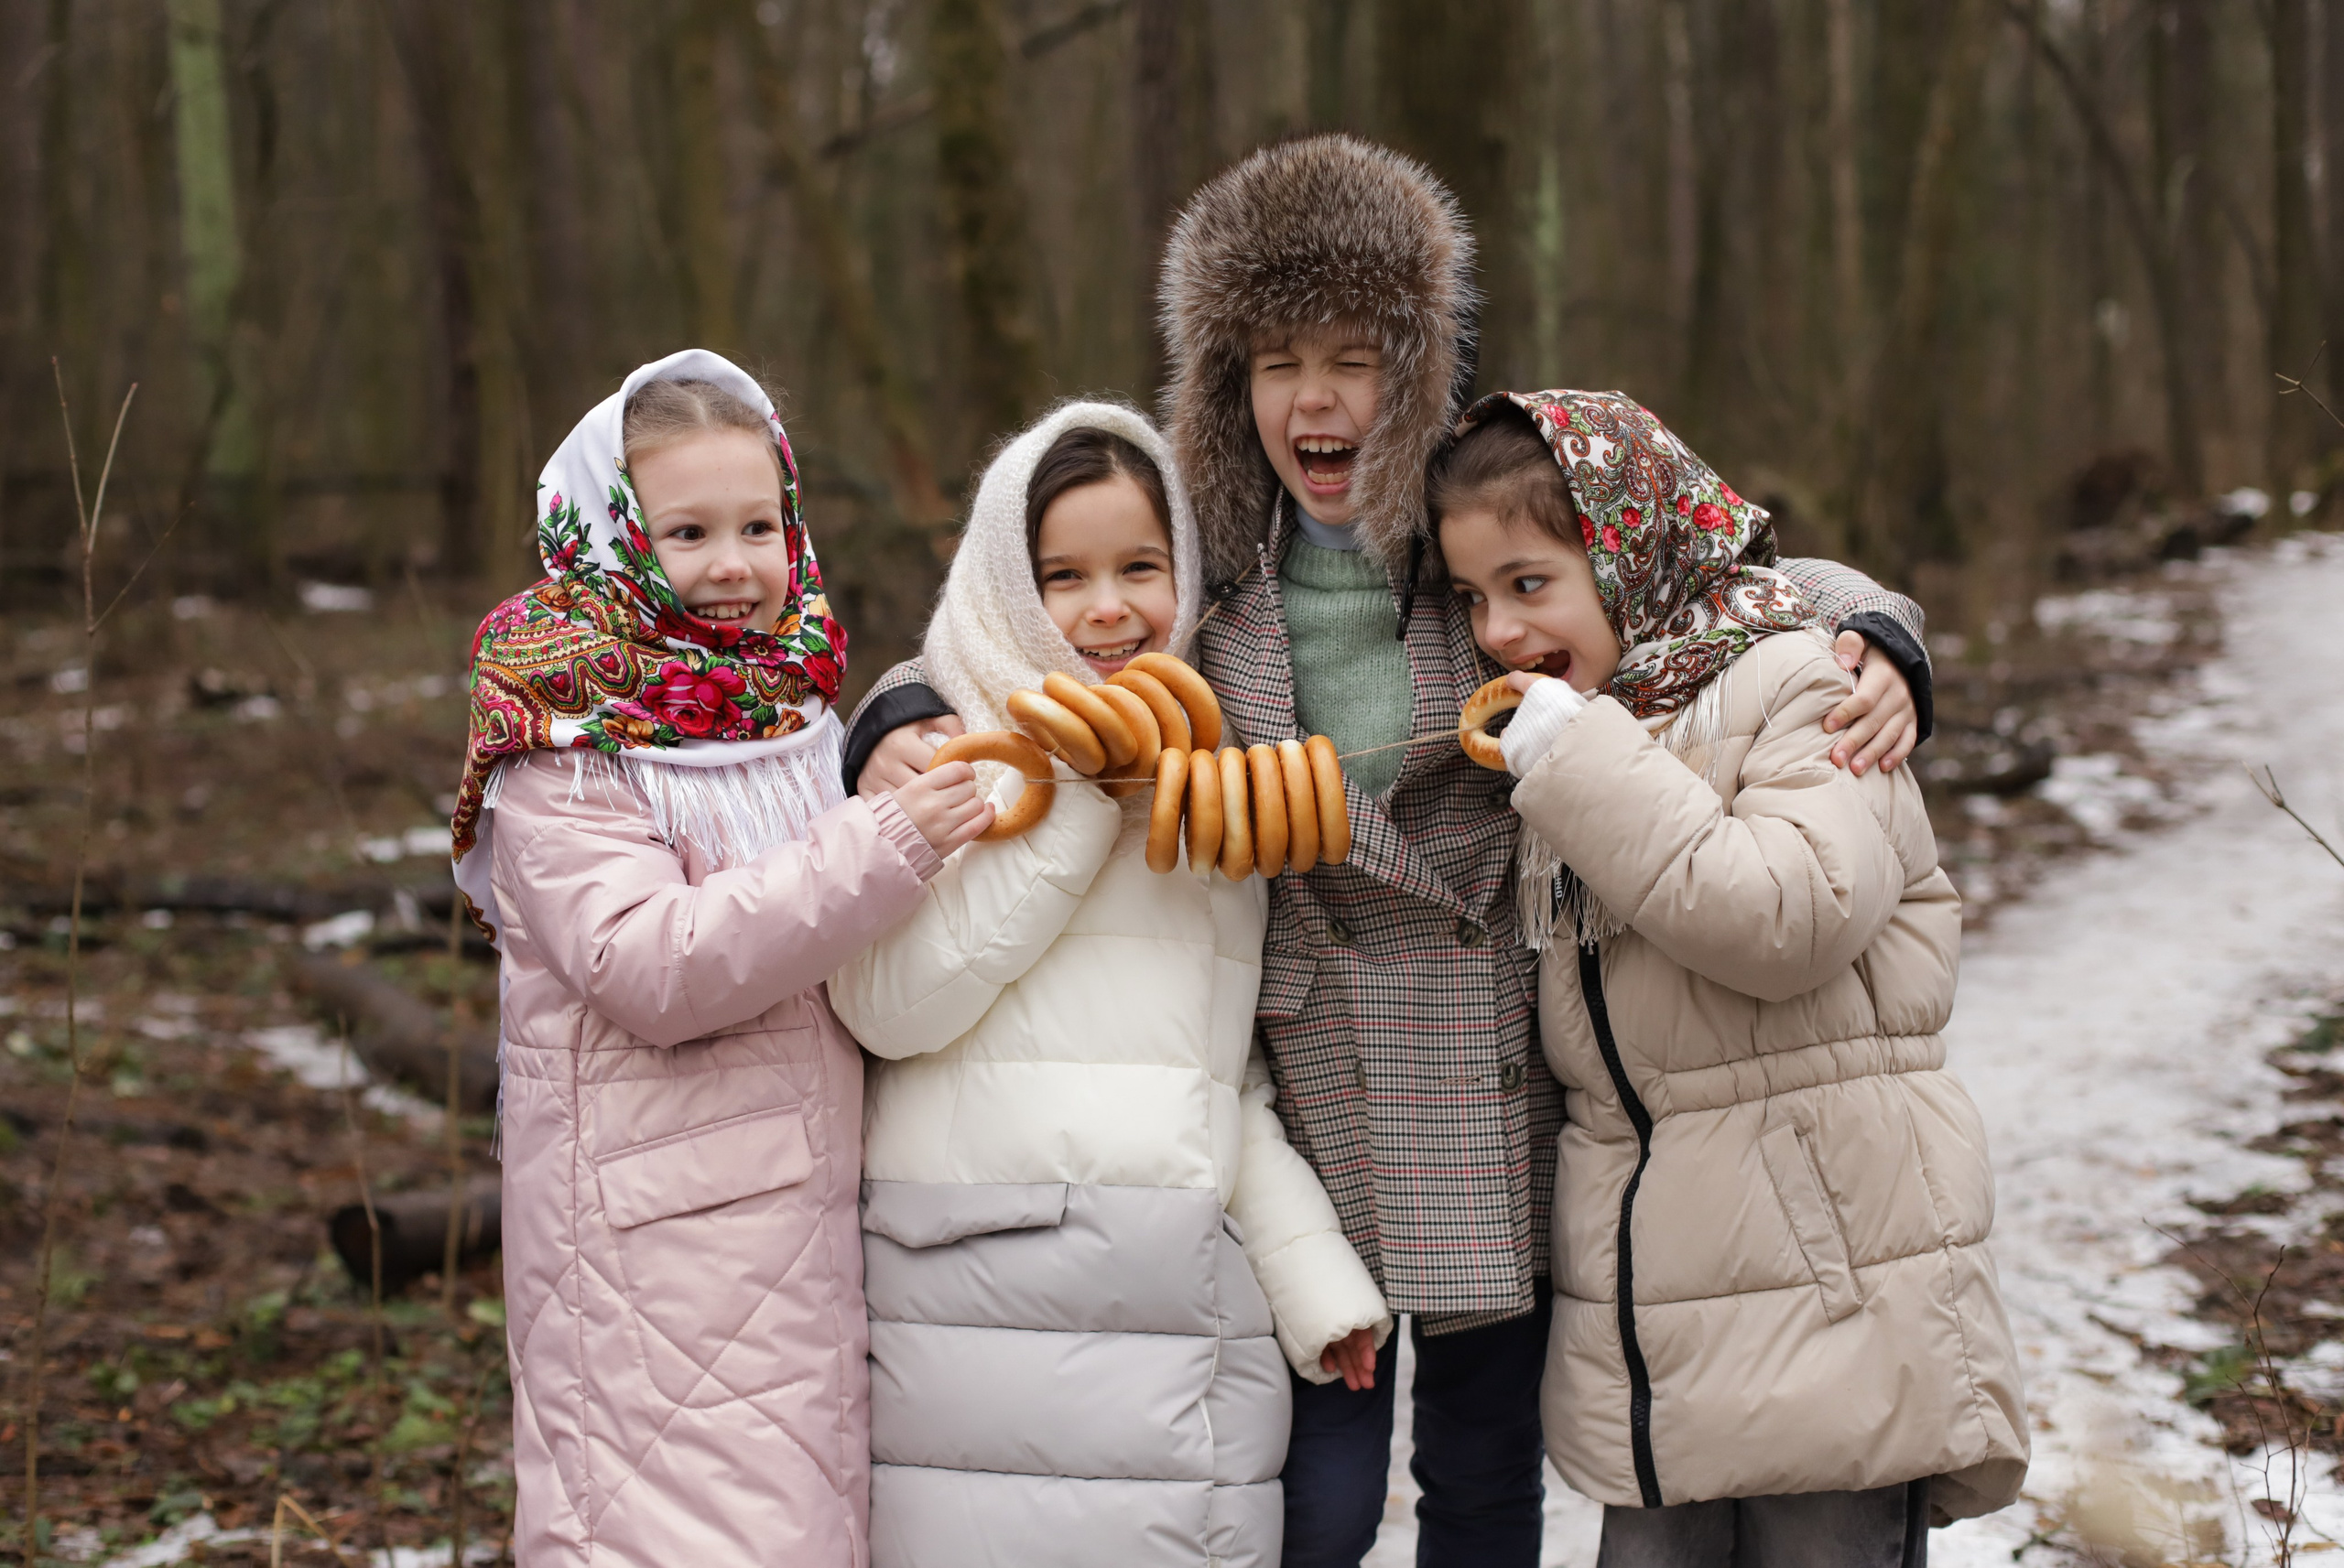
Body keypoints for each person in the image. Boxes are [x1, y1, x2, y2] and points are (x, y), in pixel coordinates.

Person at [844, 136, 1936, 1567]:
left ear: (1416, 373)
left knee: (1481, 1475)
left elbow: (1716, 568)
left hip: (1494, 1073)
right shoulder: (1202, 576)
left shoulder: (1488, 543)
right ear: (1229, 389)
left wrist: (1880, 626)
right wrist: (893, 712)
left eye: (1354, 359)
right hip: (1311, 1090)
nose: (1315, 398)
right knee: (1322, 1493)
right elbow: (1009, 634)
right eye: (1277, 361)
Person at [1433, 390, 2027, 1567]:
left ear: (1630, 553)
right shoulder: (1594, 725)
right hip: (1664, 1329)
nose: (1496, 629)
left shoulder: (1797, 683)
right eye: (1471, 597)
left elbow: (1787, 916)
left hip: (1832, 1302)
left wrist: (1580, 763)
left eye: (1529, 582)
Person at [450, 351, 992, 1567]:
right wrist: (886, 838)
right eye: (687, 532)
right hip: (652, 1258)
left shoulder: (783, 703)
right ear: (609, 534)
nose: (734, 564)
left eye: (759, 526)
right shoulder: (564, 740)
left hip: (795, 1225)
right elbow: (654, 966)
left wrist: (884, 750)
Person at [827, 401, 1391, 1568]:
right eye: (1063, 576)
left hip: (1170, 1303)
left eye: (1140, 566)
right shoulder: (940, 760)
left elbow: (1217, 1080)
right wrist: (1075, 800)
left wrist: (1309, 1275)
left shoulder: (1211, 801)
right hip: (974, 1302)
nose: (1108, 608)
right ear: (1005, 584)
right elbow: (885, 1009)